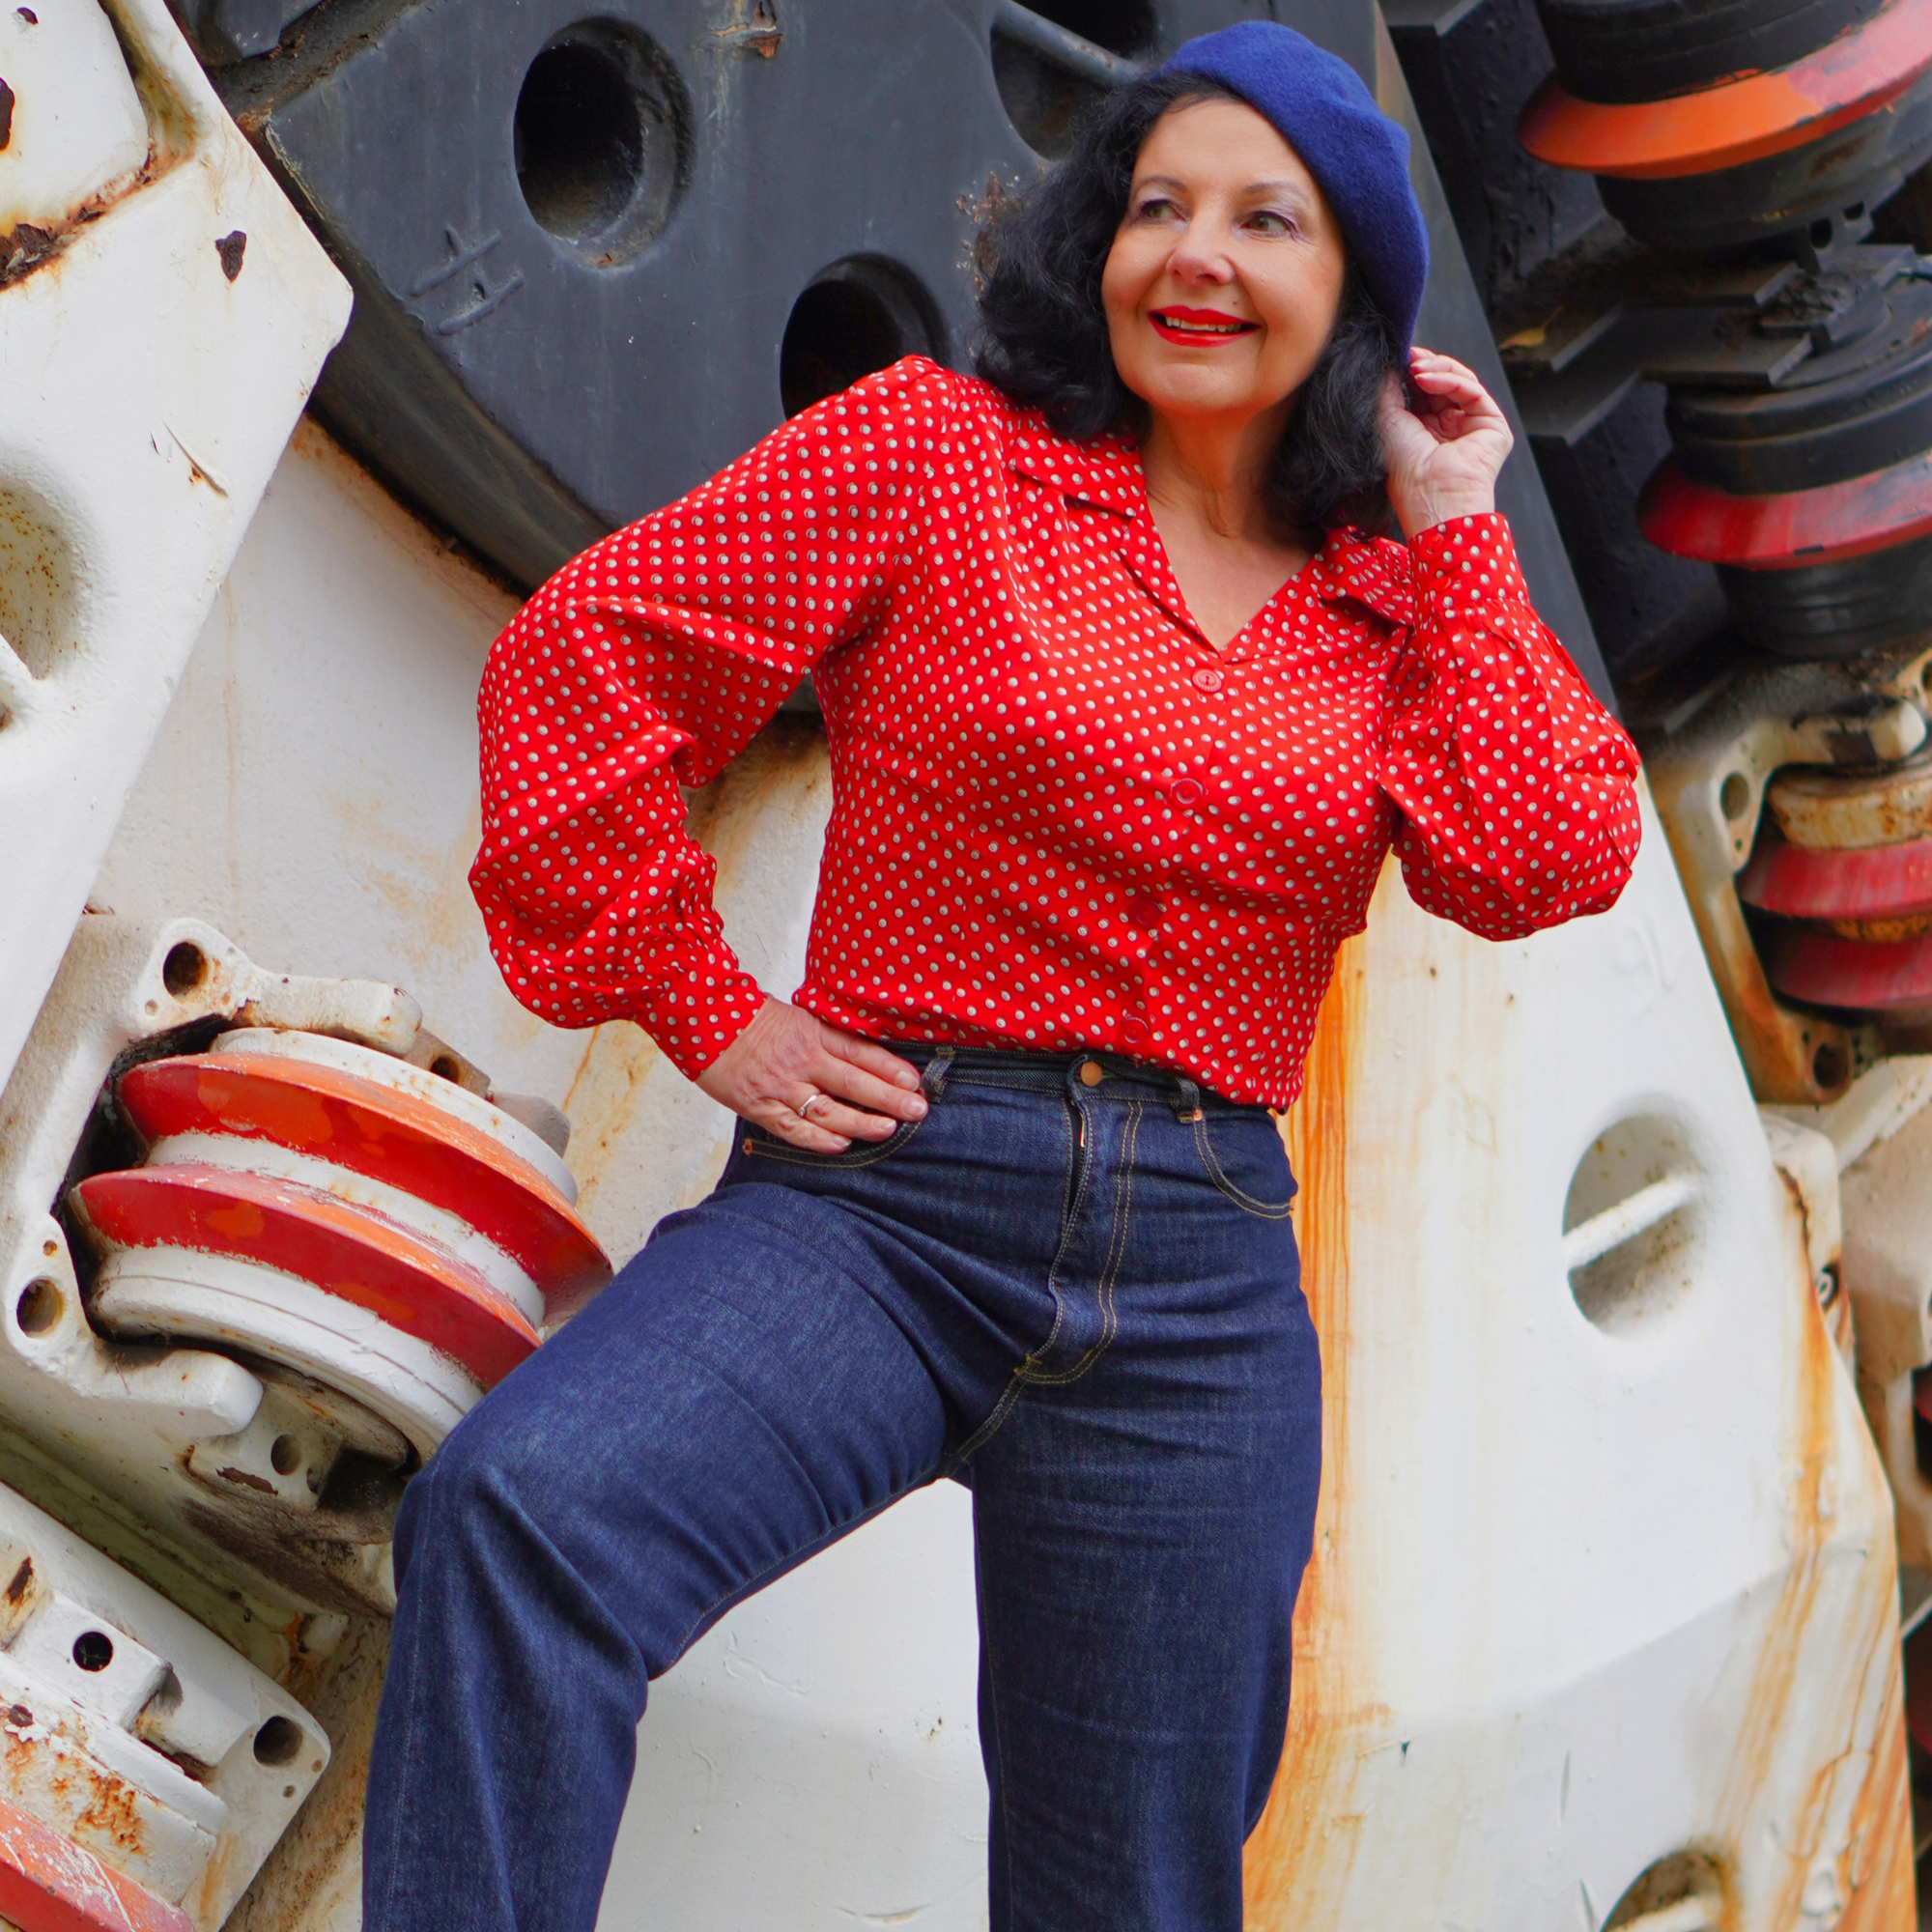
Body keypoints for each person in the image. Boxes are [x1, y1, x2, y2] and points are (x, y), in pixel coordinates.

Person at [362, 21, 1641, 1932]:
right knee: (524, 1515)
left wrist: (1453, 528)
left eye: (1264, 219)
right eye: (1155, 206)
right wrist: (707, 1002)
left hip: (1197, 1296)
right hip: (878, 1209)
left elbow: (1543, 853)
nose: (1195, 253)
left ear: (1356, 291)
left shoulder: (1397, 608)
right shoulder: (933, 455)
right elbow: (589, 659)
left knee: (1122, 1896)